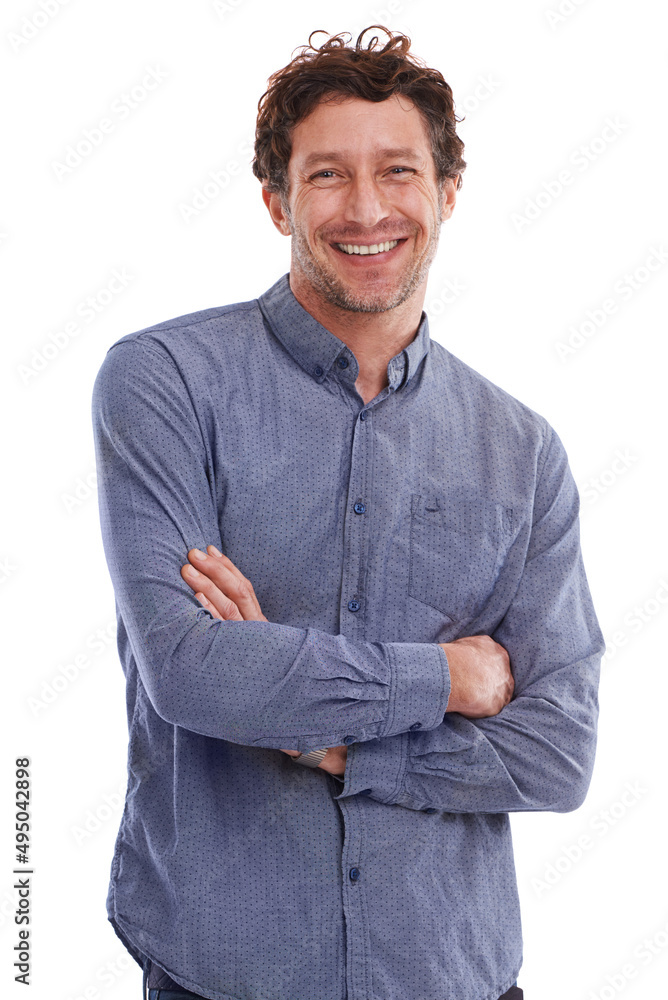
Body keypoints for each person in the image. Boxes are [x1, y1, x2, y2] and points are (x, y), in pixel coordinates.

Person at [91, 25, 604, 1000]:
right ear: (275, 199)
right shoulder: (164, 384)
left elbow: (557, 751)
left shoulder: (522, 450)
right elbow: (192, 671)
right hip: (218, 977)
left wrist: (324, 738)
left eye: (397, 170)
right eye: (326, 174)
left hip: (452, 977)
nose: (365, 208)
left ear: (447, 192)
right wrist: (444, 677)